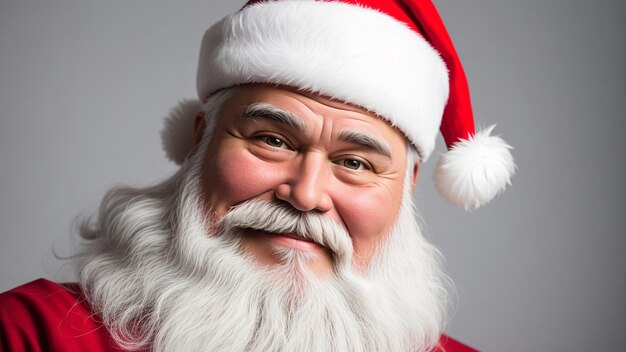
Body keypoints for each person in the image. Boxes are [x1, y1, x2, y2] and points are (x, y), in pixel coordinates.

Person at [0, 0, 515, 351]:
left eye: (355, 163)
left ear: (409, 186)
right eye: (273, 140)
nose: (307, 195)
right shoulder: (28, 335)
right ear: (200, 137)